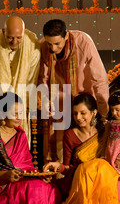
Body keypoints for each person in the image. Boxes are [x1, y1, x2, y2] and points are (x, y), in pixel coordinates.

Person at [43, 93, 120, 204]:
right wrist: (58, 166)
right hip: (81, 179)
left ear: (94, 113)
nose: (78, 118)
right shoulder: (70, 134)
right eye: (75, 114)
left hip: (103, 177)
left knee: (101, 165)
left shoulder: (105, 130)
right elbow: (68, 166)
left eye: (83, 113)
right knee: (89, 168)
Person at [38, 19, 109, 163]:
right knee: (59, 150)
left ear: (66, 36)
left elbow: (99, 78)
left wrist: (104, 112)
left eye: (57, 43)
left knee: (88, 151)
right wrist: (46, 103)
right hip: (58, 104)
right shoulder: (43, 46)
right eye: (49, 44)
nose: (53, 49)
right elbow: (43, 79)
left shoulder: (83, 41)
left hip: (82, 102)